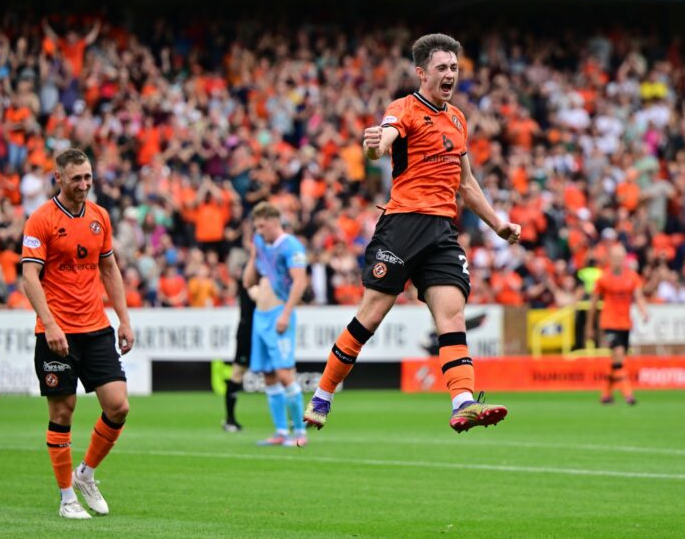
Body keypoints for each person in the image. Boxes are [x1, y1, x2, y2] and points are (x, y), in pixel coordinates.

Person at [303, 34, 521, 433]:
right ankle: (322, 394)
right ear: (422, 73)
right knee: (371, 315)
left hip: (441, 230)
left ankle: (463, 403)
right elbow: (382, 141)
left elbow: (467, 184)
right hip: (402, 225)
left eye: (454, 68)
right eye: (442, 68)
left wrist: (498, 224)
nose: (450, 74)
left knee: (453, 314)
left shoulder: (457, 119)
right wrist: (372, 148)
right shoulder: (403, 108)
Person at [21, 149, 134, 519]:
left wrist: (124, 319)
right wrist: (50, 323)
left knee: (118, 406)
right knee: (63, 411)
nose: (84, 184)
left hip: (96, 327)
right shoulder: (41, 220)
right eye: (76, 179)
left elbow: (110, 270)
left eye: (88, 177)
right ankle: (67, 497)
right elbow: (29, 277)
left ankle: (86, 474)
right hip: (57, 333)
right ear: (59, 179)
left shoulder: (100, 216)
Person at [243, 202, 308, 447]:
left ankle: (300, 432)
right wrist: (252, 255)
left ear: (274, 221)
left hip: (280, 312)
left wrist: (286, 314)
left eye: (262, 226)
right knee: (268, 375)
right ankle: (281, 431)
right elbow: (248, 282)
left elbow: (299, 282)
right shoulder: (260, 244)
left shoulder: (291, 246)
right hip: (260, 316)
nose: (259, 230)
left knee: (284, 373)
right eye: (256, 226)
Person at [585, 245, 648, 406]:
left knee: (616, 360)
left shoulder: (632, 276)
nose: (618, 261)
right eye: (615, 258)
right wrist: (589, 327)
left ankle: (606, 394)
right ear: (610, 259)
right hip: (609, 322)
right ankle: (628, 394)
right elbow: (593, 304)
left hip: (625, 323)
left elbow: (639, 296)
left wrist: (643, 311)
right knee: (619, 355)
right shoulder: (603, 278)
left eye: (621, 258)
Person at [223, 250, 256, 433]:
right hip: (248, 330)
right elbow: (253, 293)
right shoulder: (249, 272)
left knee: (279, 373)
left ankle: (288, 422)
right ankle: (230, 419)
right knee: (238, 372)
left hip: (263, 330)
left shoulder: (264, 269)